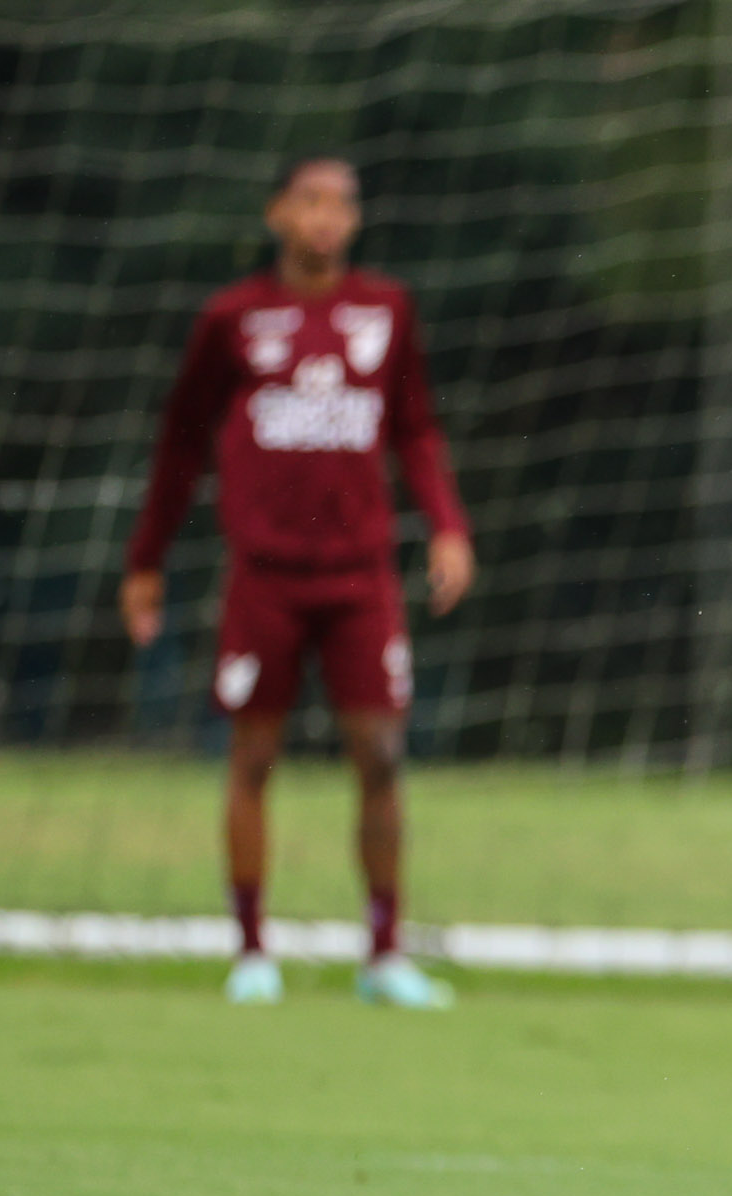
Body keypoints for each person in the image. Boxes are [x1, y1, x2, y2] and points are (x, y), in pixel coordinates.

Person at [119, 155, 473, 1009]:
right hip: (265, 579)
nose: (326, 217)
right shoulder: (233, 319)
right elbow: (179, 443)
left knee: (382, 757)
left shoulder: (387, 309)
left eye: (342, 204)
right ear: (279, 211)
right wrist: (145, 560)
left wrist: (449, 526)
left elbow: (416, 428)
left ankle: (384, 953)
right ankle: (251, 950)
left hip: (362, 578)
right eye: (310, 201)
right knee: (254, 757)